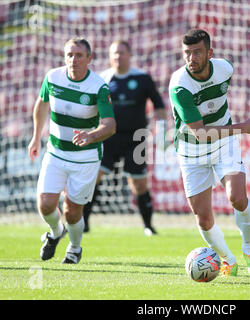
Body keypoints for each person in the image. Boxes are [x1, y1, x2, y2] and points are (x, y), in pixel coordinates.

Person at [169, 29, 250, 277]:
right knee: (203, 219)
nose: (191, 58)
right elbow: (200, 133)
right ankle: (228, 260)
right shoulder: (180, 86)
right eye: (187, 53)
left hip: (224, 143)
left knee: (238, 198)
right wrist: (243, 127)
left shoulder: (225, 69)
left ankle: (249, 247)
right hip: (192, 151)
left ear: (210, 53)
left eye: (197, 52)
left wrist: (235, 130)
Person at [28, 37, 116, 264]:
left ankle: (75, 248)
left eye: (78, 55)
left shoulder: (98, 87)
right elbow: (41, 106)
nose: (73, 60)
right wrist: (36, 137)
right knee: (45, 204)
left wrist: (91, 135)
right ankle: (56, 232)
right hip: (56, 152)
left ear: (89, 58)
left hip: (85, 158)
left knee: (72, 211)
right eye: (69, 54)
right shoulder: (53, 77)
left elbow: (110, 125)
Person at [82, 40, 166, 235]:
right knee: (94, 176)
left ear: (129, 55)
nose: (118, 56)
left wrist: (162, 133)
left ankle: (148, 226)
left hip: (137, 138)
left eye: (121, 52)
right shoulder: (102, 79)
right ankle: (84, 223)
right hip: (108, 137)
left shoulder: (142, 78)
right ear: (110, 57)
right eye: (114, 53)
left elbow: (159, 105)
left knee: (138, 182)